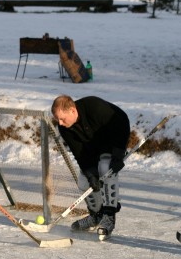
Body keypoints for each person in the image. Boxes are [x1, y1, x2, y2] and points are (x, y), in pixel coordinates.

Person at [51, 94, 130, 240]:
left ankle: (109, 216)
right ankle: (96, 215)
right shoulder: (65, 129)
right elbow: (80, 154)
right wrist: (91, 174)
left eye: (62, 119)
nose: (60, 123)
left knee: (106, 168)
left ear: (73, 111)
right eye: (57, 119)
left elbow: (121, 123)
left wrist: (118, 153)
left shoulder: (94, 106)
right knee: (84, 181)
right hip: (92, 147)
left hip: (111, 140)